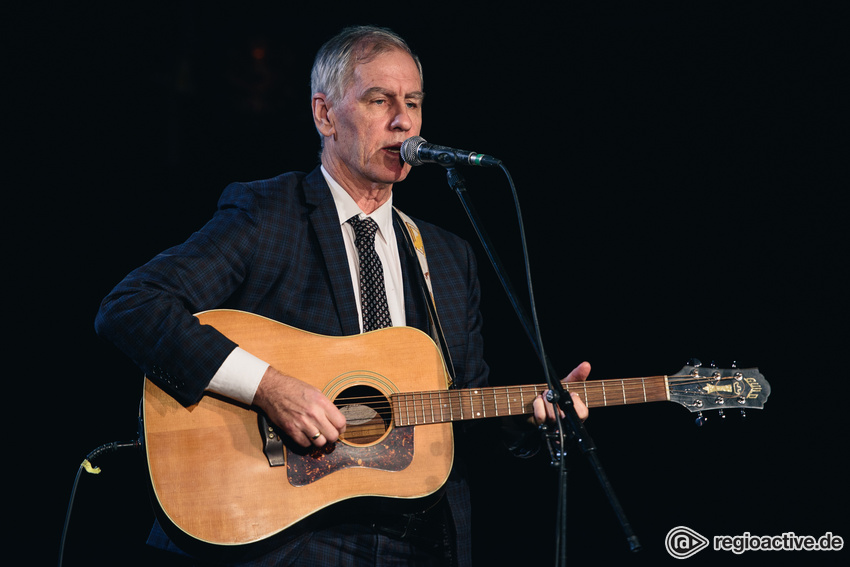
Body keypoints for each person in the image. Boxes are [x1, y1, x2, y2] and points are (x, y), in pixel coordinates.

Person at [95, 25, 589, 566]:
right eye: (380, 100)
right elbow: (133, 305)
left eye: (414, 103)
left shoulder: (447, 256)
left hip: (422, 540)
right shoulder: (270, 215)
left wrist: (530, 415)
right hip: (292, 537)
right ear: (325, 115)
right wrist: (269, 388)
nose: (403, 120)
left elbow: (461, 409)